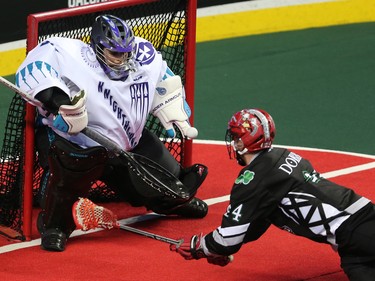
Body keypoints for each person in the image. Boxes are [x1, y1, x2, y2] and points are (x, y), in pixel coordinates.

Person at [15, 14, 208, 252]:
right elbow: (31, 70)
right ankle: (56, 226)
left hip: (129, 142)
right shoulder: (67, 53)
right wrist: (59, 103)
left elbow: (164, 79)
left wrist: (169, 101)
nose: (122, 58)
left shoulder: (142, 56)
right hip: (76, 142)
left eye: (125, 52)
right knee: (66, 182)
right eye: (115, 53)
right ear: (97, 46)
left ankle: (169, 204)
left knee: (171, 182)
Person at [170, 108, 375, 281]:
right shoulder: (285, 156)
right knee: (357, 269)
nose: (234, 143)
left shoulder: (252, 179)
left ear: (243, 141)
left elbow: (228, 238)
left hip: (356, 235)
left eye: (235, 138)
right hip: (360, 230)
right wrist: (220, 249)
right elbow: (257, 222)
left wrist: (201, 246)